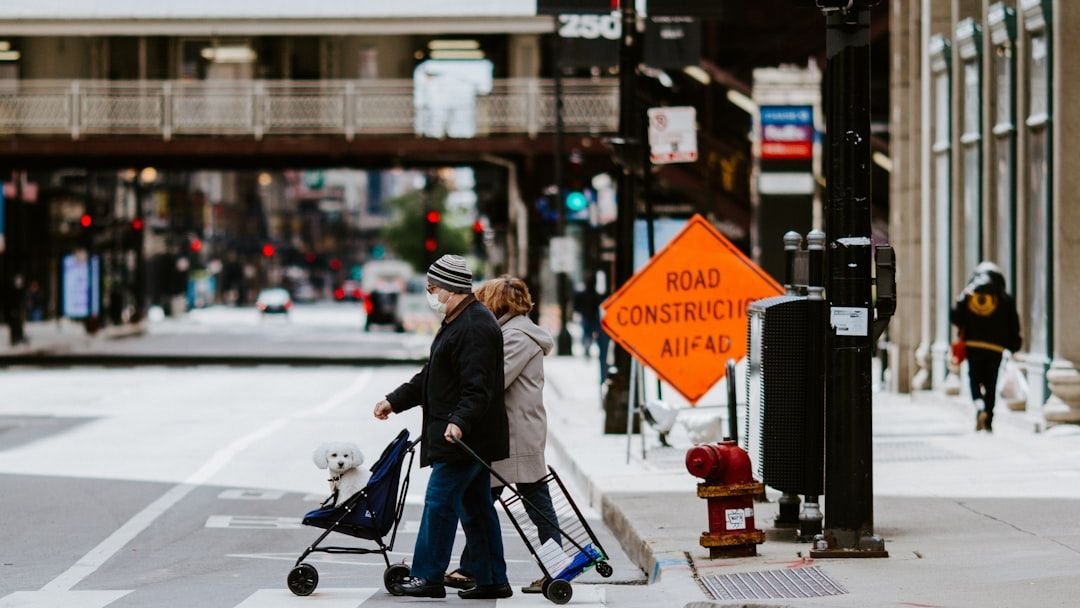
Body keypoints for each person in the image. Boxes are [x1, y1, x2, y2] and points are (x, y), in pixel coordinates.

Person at [373, 254, 512, 600]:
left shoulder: (475, 326)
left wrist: (459, 423)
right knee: (476, 508)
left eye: (433, 288)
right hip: (465, 435)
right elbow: (433, 376)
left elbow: (478, 388)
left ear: (451, 289)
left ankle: (427, 576)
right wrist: (395, 400)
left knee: (438, 503)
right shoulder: (459, 321)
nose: (430, 294)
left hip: (464, 438)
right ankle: (493, 578)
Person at [443, 276, 559, 595]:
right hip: (515, 430)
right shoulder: (510, 332)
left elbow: (494, 380)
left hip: (516, 434)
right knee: (503, 499)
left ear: (497, 302)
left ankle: (475, 568)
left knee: (495, 499)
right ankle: (475, 567)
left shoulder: (516, 336)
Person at [950, 261, 1022, 433]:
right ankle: (989, 419)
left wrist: (961, 299)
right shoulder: (1005, 298)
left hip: (973, 346)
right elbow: (1014, 325)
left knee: (974, 379)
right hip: (995, 349)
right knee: (991, 383)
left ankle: (979, 404)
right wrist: (1013, 345)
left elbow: (956, 318)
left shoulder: (969, 294)